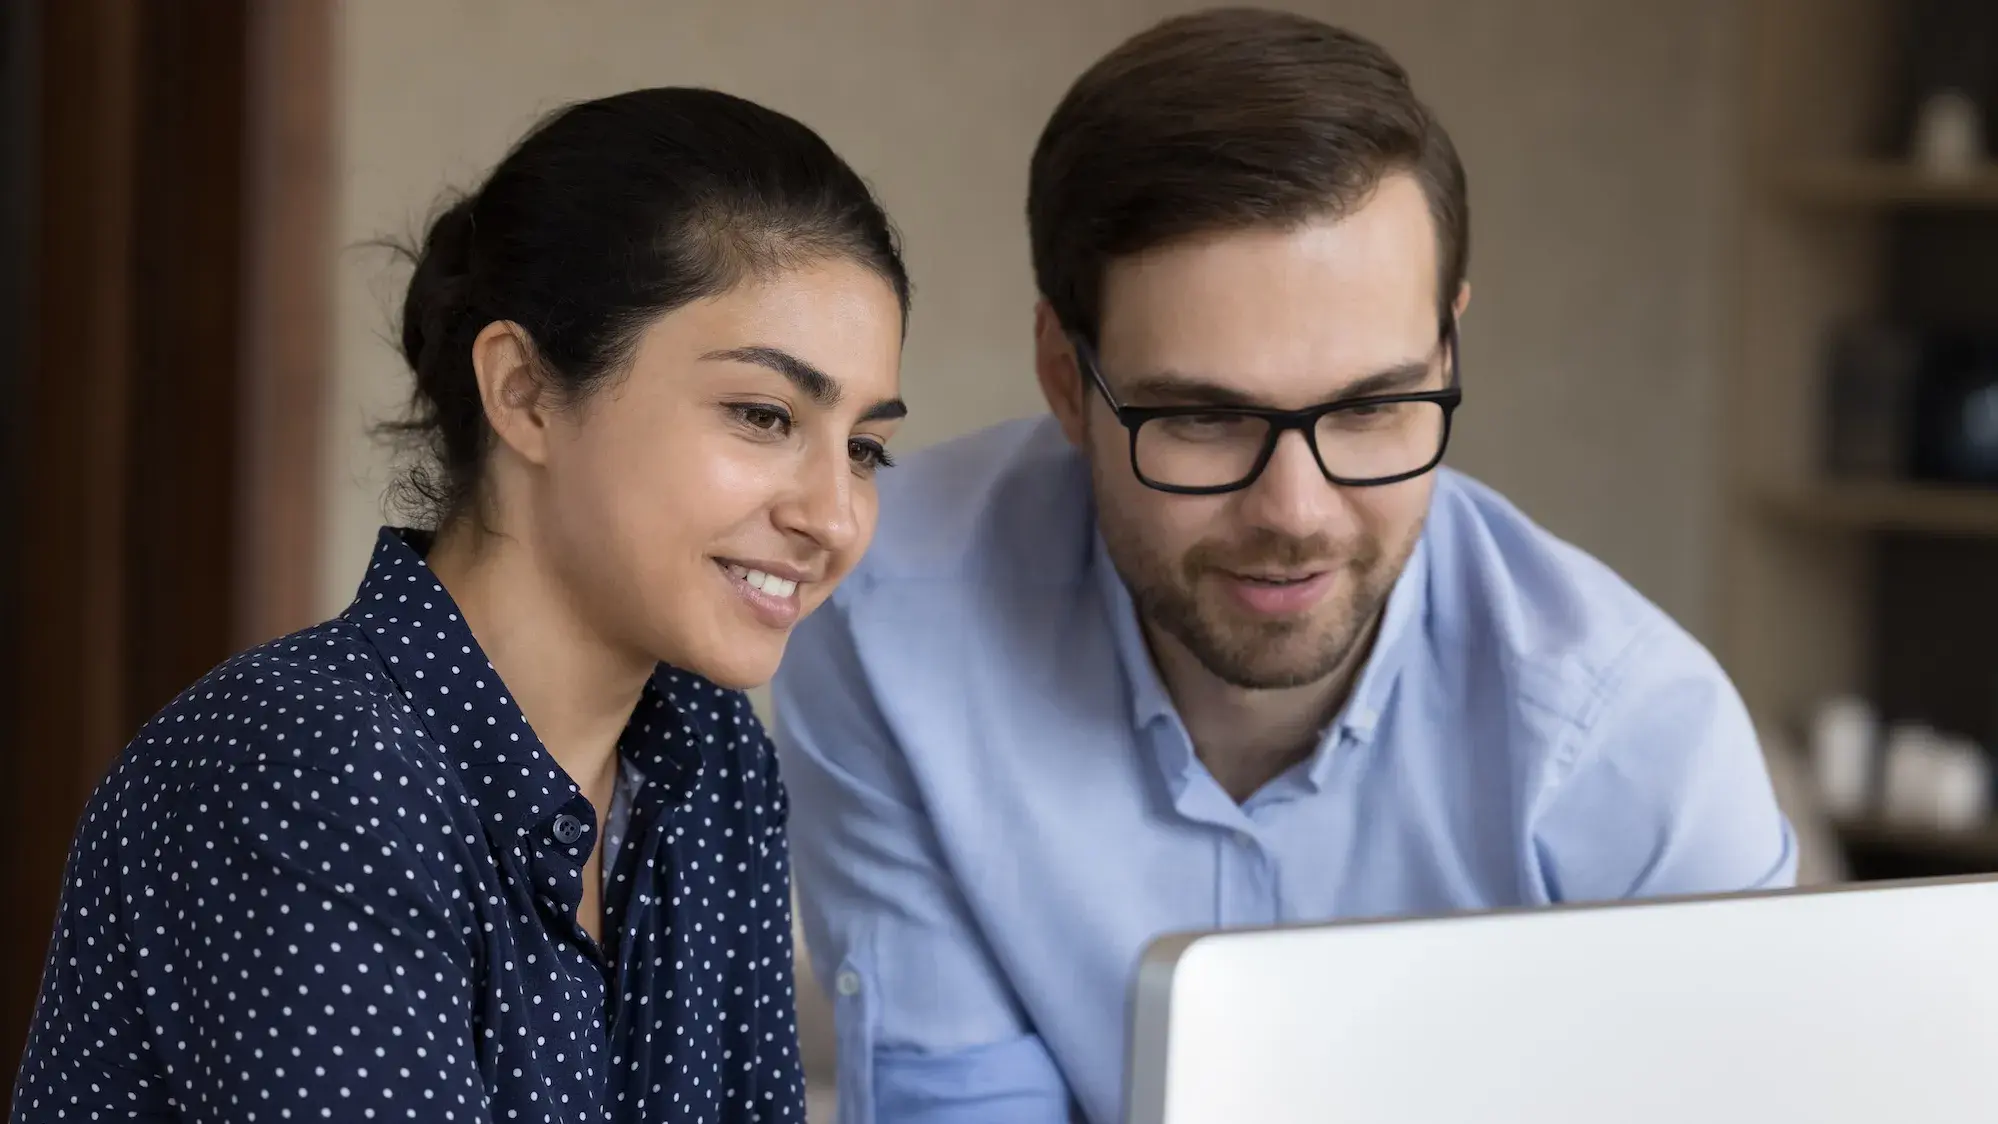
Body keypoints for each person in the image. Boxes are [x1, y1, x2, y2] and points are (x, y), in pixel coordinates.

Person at [772, 10, 1795, 1124]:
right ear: (1066, 378)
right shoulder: (880, 619)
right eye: (1204, 418)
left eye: (1371, 406)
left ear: (1448, 350)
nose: (1296, 514)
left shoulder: (1637, 737)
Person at [13, 87, 909, 1122]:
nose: (833, 516)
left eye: (864, 447)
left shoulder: (710, 760)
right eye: (762, 414)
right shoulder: (302, 766)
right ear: (523, 390)